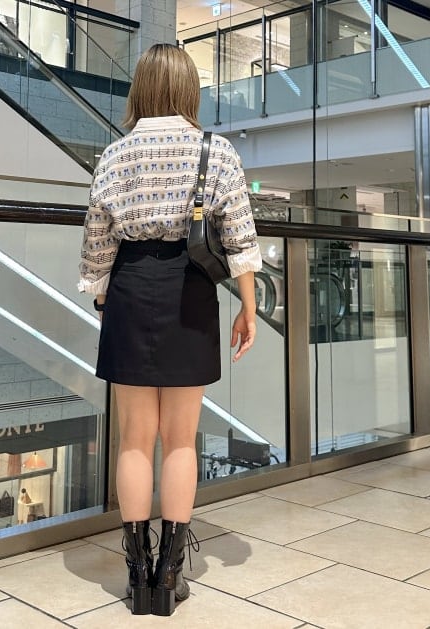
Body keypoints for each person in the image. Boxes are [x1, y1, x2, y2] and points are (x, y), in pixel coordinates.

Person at [78, 43, 262, 616]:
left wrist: (104, 296)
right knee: (181, 439)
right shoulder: (216, 151)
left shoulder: (115, 154)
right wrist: (249, 305)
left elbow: (97, 239)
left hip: (130, 286)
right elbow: (239, 235)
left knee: (134, 438)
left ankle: (137, 578)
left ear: (140, 89)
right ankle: (169, 577)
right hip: (191, 288)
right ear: (188, 90)